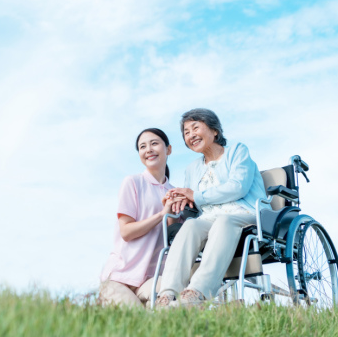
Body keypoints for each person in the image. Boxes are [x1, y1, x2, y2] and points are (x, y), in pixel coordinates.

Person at [156, 108, 268, 308]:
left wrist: (195, 195)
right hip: (209, 218)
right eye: (186, 133)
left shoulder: (237, 151)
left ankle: (197, 293)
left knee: (224, 221)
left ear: (214, 130)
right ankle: (167, 295)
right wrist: (178, 199)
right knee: (190, 225)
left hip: (244, 213)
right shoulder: (192, 169)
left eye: (195, 128)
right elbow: (194, 202)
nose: (190, 135)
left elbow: (238, 187)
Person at [99, 128, 184, 308]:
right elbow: (126, 232)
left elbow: (171, 237)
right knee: (140, 324)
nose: (148, 149)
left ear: (168, 149)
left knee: (179, 302)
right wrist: (161, 214)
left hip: (152, 279)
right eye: (142, 147)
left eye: (154, 143)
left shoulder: (175, 192)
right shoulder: (133, 182)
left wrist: (172, 213)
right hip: (119, 278)